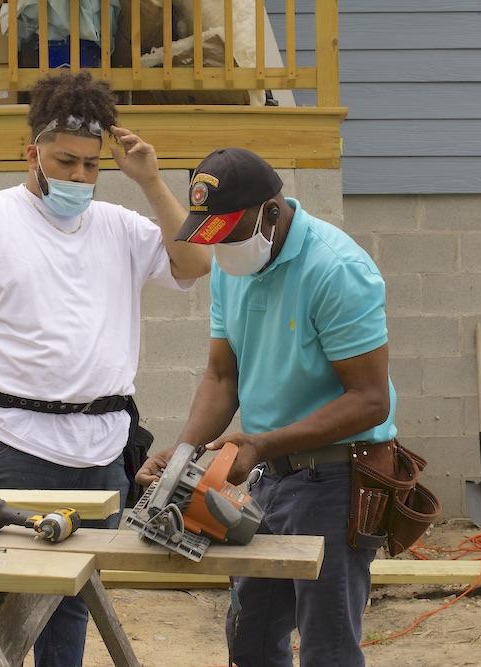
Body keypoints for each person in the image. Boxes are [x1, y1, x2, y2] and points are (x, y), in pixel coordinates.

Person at [0, 72, 210, 667]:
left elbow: (195, 259)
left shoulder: (121, 229)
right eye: (65, 161)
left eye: (90, 166)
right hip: (11, 445)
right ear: (34, 154)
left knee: (71, 598)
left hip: (101, 450)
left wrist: (150, 179)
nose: (78, 177)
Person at [136, 147, 397, 667]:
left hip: (336, 478)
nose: (222, 247)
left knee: (327, 644)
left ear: (271, 212)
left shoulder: (336, 269)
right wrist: (186, 452)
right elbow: (221, 374)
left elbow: (369, 401)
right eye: (211, 232)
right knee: (251, 634)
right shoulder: (234, 268)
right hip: (265, 479)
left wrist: (259, 442)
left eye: (230, 232)